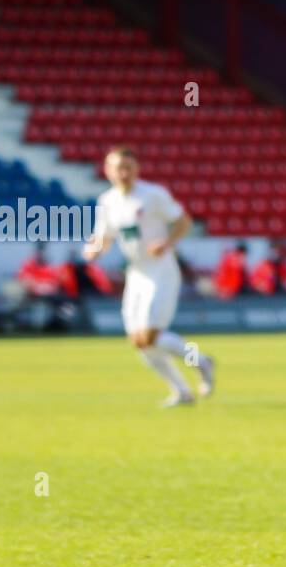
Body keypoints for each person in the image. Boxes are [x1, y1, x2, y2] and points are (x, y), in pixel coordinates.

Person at [84, 147, 216, 406]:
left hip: (161, 269)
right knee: (138, 341)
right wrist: (95, 249)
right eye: (118, 168)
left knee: (151, 336)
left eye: (128, 167)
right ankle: (182, 391)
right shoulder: (107, 202)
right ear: (108, 171)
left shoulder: (153, 195)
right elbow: (105, 236)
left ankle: (200, 361)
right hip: (136, 272)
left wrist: (167, 242)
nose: (123, 173)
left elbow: (184, 221)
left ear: (137, 169)